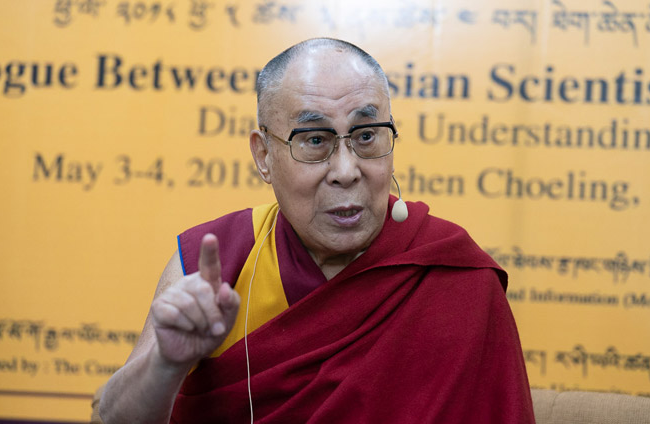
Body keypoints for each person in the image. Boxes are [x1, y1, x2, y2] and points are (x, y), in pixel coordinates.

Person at [97, 38, 535, 423]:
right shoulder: (221, 263)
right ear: (264, 155)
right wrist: (165, 365)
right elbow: (111, 417)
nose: (346, 171)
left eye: (366, 136)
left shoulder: (456, 275)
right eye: (314, 140)